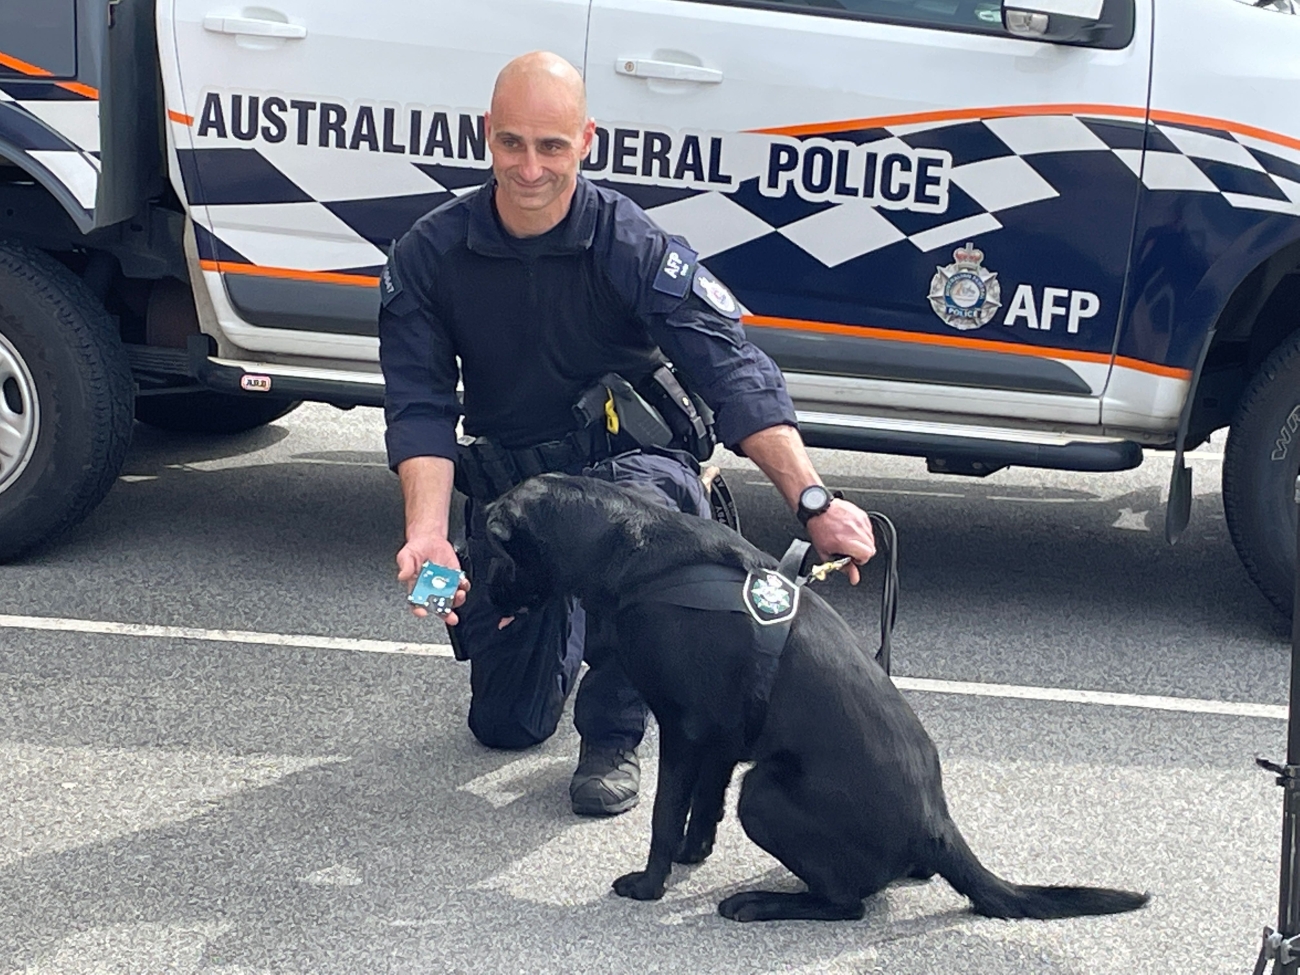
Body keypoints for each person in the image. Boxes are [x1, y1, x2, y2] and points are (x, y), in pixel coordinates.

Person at [378, 51, 877, 816]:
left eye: (552, 145)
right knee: (507, 726)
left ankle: (613, 731)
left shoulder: (629, 241)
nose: (531, 167)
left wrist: (811, 499)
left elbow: (731, 369)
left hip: (630, 472)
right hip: (520, 492)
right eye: (512, 143)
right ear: (486, 136)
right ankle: (568, 621)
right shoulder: (429, 255)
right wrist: (429, 533)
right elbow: (420, 407)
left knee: (632, 521)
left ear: (587, 140)